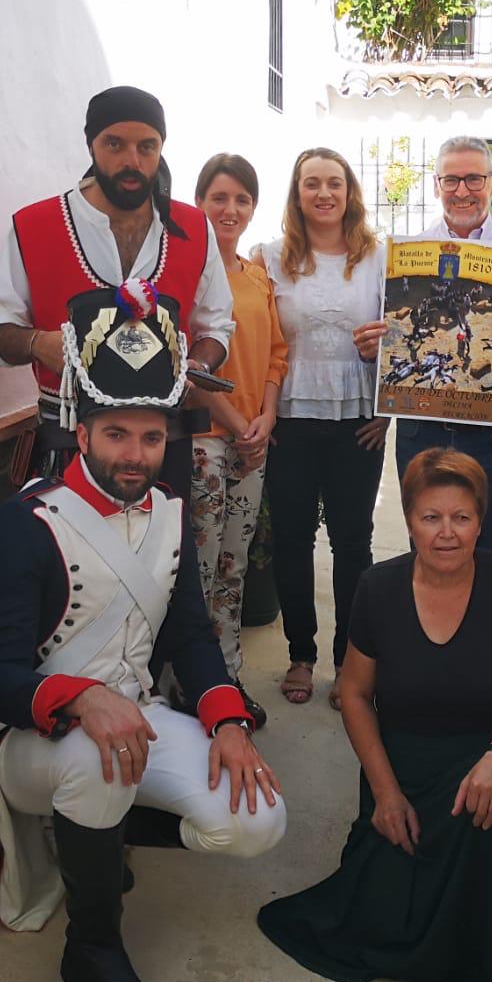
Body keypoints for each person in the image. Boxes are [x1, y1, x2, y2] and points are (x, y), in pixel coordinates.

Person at [0, 285, 285, 982]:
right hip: (30, 740)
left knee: (256, 819)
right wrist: (82, 697)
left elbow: (191, 637)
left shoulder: (170, 508)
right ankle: (93, 948)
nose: (135, 457)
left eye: (150, 437)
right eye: (116, 435)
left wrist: (227, 722)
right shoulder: (30, 520)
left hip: (133, 717)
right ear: (82, 433)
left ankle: (96, 848)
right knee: (99, 763)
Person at [259, 449, 492, 982]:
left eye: (462, 518)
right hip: (406, 761)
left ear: (482, 521)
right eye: (432, 517)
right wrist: (384, 792)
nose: (447, 533)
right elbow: (356, 695)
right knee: (383, 904)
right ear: (408, 521)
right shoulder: (378, 587)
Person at [0, 85, 234, 495]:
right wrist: (35, 344)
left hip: (162, 446)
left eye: (147, 146)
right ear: (91, 145)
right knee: (66, 558)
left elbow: (217, 327)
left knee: (162, 556)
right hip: (68, 443)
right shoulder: (35, 226)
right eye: (115, 144)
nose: (132, 161)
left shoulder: (194, 229)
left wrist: (198, 366)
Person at [358, 137, 492, 558]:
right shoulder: (404, 256)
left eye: (473, 179)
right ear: (436, 185)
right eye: (452, 179)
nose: (462, 191)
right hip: (423, 429)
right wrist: (375, 346)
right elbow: (396, 336)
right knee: (428, 547)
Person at [252, 148, 387, 708]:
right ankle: (301, 655)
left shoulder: (380, 256)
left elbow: (411, 331)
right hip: (292, 419)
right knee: (292, 539)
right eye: (312, 184)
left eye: (334, 183)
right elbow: (257, 336)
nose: (324, 193)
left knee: (353, 542)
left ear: (350, 192)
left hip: (360, 419)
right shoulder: (269, 256)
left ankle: (349, 663)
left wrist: (388, 408)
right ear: (297, 193)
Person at [187, 154, 287, 730]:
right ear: (200, 201)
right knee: (198, 572)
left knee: (233, 569)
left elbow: (276, 352)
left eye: (241, 200)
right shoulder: (186, 274)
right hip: (207, 439)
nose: (230, 209)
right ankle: (193, 685)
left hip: (253, 440)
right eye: (219, 197)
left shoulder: (255, 277)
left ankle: (226, 680)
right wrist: (233, 420)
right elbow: (189, 367)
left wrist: (267, 417)